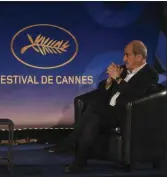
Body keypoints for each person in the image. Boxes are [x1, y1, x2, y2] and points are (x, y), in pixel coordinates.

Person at [45, 40, 159, 173]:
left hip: (127, 115)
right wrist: (109, 81)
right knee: (93, 118)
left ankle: (68, 143)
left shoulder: (150, 75)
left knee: (94, 109)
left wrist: (117, 79)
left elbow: (135, 95)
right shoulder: (123, 70)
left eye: (127, 55)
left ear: (139, 57)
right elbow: (101, 90)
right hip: (108, 112)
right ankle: (78, 162)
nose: (124, 58)